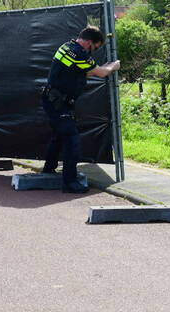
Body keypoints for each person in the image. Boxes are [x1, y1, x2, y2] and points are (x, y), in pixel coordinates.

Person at [41, 25, 120, 193]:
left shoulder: (67, 47)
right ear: (89, 42)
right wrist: (113, 66)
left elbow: (81, 72)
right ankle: (70, 183)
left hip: (53, 100)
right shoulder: (80, 53)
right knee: (72, 140)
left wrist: (102, 68)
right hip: (58, 103)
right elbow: (100, 73)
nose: (94, 51)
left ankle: (48, 169)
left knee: (59, 136)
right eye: (95, 47)